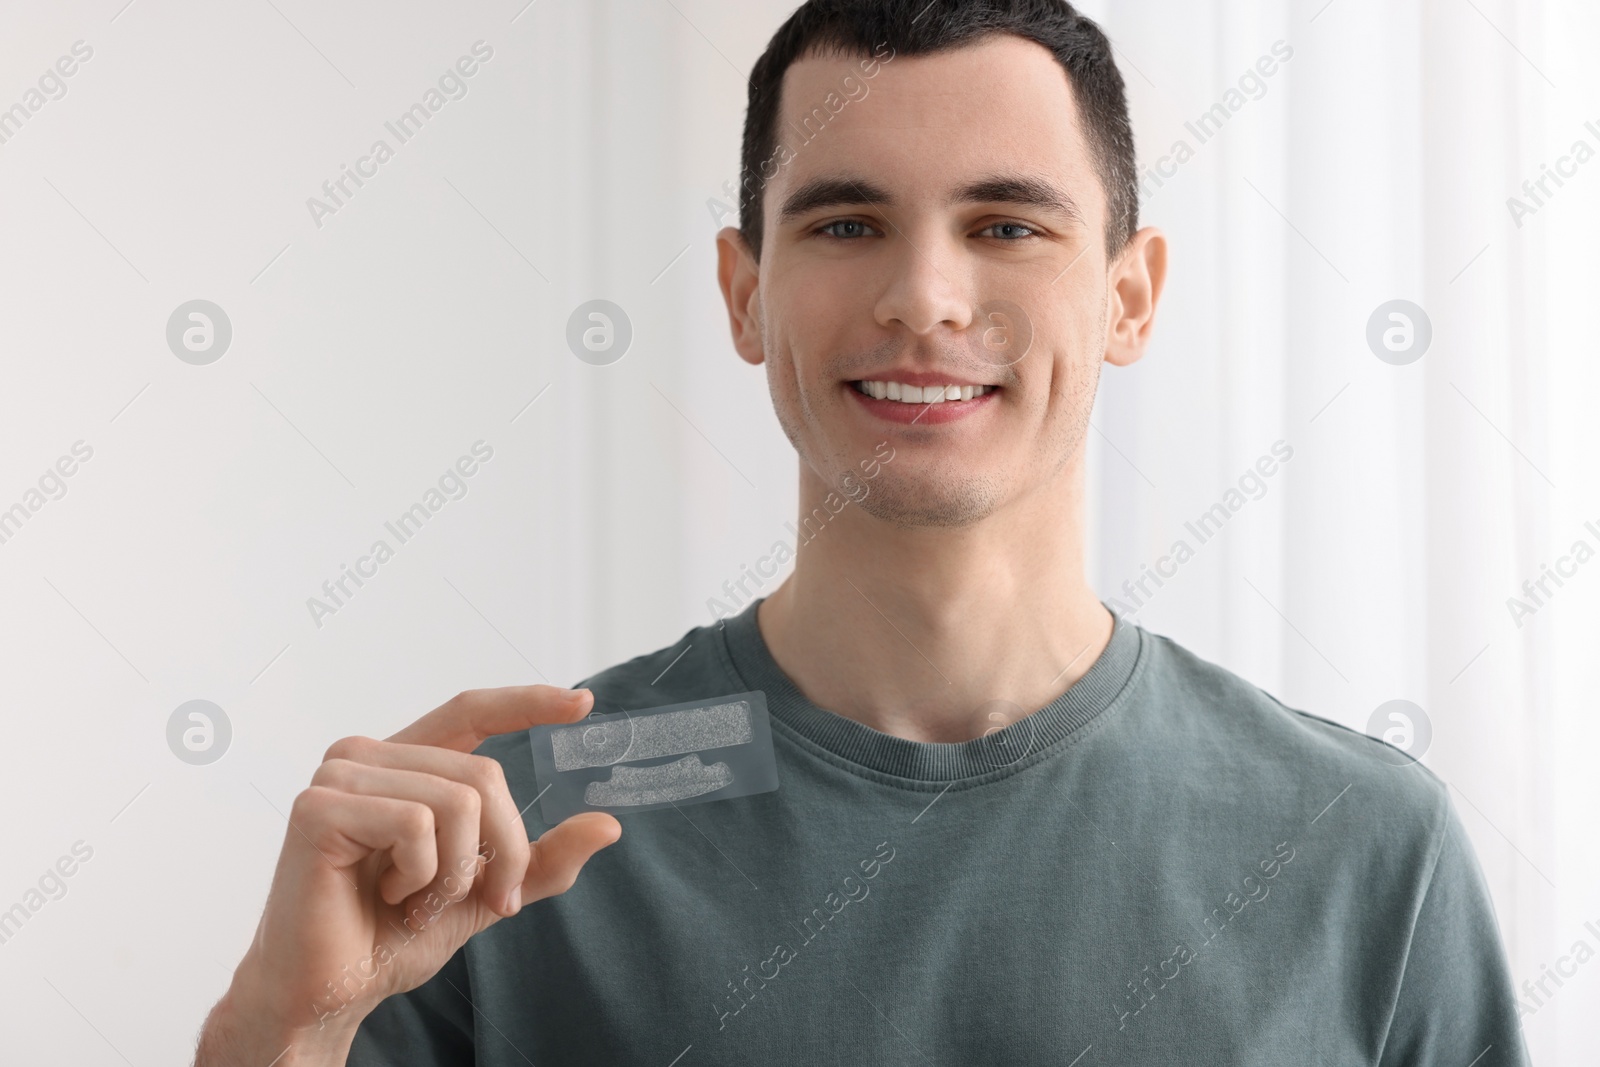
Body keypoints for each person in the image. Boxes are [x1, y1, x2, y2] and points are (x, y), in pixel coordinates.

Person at [195, 1, 1528, 1063]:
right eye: (847, 222)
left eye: (1006, 223)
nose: (925, 297)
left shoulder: (1364, 847)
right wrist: (286, 1031)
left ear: (1129, 297)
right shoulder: (513, 835)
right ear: (743, 293)